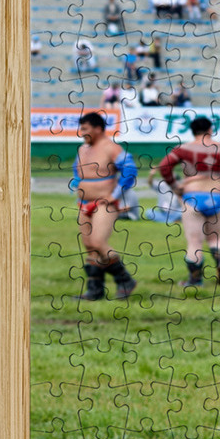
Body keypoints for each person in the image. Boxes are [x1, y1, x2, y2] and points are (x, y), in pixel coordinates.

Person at [158, 116, 220, 287]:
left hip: (192, 194)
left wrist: (175, 186)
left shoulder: (183, 149)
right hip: (216, 195)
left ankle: (195, 281)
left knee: (195, 241)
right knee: (215, 238)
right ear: (210, 130)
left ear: (192, 131)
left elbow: (164, 166)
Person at [70, 112, 138, 301]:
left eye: (85, 128)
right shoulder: (82, 149)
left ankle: (124, 279)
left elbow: (130, 171)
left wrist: (114, 195)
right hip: (83, 203)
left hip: (104, 204)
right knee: (89, 246)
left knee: (99, 242)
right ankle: (95, 290)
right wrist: (76, 186)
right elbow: (78, 172)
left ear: (98, 129)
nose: (81, 132)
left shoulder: (111, 148)